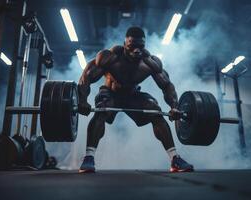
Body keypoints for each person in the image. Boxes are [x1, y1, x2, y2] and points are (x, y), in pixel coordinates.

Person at [77, 26, 193, 173]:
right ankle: (89, 157)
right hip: (110, 93)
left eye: (140, 47)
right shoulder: (110, 57)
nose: (136, 50)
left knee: (155, 111)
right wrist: (82, 101)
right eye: (132, 47)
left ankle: (174, 159)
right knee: (102, 108)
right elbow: (86, 77)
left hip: (132, 95)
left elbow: (167, 86)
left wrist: (174, 106)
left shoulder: (150, 63)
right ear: (125, 44)